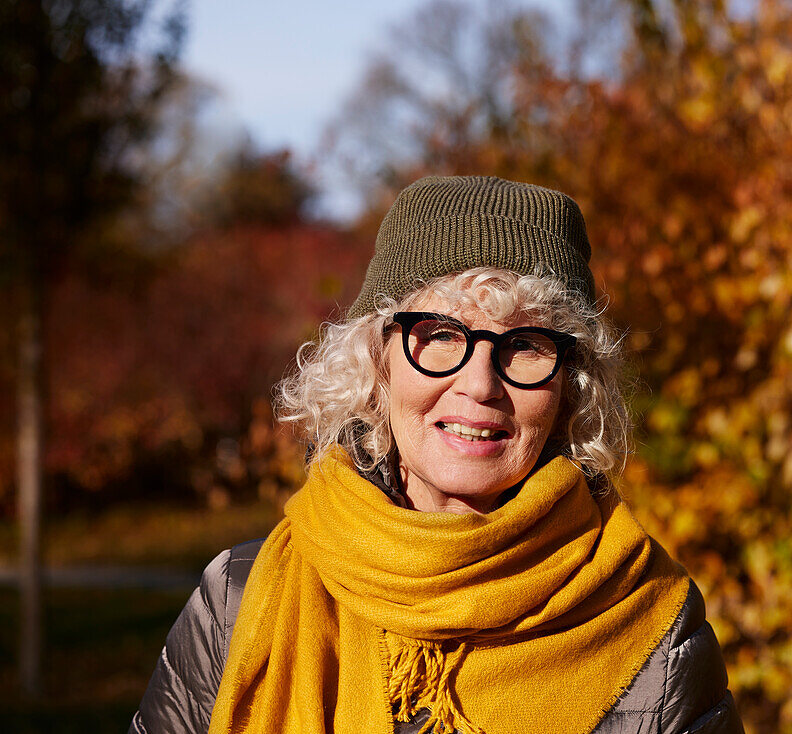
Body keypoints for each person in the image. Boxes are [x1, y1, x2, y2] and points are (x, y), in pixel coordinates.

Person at [131, 176, 743, 734]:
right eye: (442, 335)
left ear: (570, 387)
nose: (479, 384)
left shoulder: (655, 627)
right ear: (378, 360)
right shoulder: (238, 600)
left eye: (526, 345)